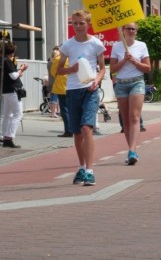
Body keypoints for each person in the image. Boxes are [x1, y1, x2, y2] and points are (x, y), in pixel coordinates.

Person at [57, 10, 106, 186]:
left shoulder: (96, 44)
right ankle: (82, 166)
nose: (77, 27)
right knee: (77, 132)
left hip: (90, 89)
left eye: (81, 23)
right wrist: (73, 68)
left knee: (86, 128)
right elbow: (58, 70)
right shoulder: (67, 45)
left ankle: (90, 171)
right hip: (73, 90)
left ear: (88, 24)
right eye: (75, 23)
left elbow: (102, 68)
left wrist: (97, 82)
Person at [110, 22, 151, 165]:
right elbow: (113, 68)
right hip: (121, 84)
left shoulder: (142, 46)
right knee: (125, 119)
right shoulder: (116, 46)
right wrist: (124, 60)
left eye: (134, 29)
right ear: (123, 31)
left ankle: (132, 151)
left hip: (137, 82)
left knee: (134, 116)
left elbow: (147, 68)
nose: (132, 31)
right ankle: (131, 149)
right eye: (129, 29)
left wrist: (134, 61)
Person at [1, 43, 27, 148]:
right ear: (11, 52)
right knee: (18, 114)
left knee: (7, 115)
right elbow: (13, 76)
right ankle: (9, 137)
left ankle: (5, 136)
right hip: (13, 91)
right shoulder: (7, 61)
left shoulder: (2, 61)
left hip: (6, 91)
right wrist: (21, 69)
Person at [50, 47, 71, 137]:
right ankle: (74, 128)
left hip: (61, 86)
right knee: (71, 109)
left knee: (64, 109)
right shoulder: (72, 58)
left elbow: (53, 72)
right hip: (72, 85)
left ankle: (68, 130)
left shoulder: (58, 59)